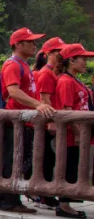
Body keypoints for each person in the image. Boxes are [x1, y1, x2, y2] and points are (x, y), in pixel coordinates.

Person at [0, 28, 55, 212]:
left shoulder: (23, 65)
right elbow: (13, 91)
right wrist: (38, 104)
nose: (34, 45)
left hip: (23, 121)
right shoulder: (13, 65)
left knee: (19, 161)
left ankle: (13, 200)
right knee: (12, 161)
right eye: (30, 42)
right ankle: (7, 200)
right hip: (15, 121)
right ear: (18, 44)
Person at [52, 43, 94, 219]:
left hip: (81, 132)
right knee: (69, 167)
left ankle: (68, 202)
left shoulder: (74, 79)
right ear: (72, 60)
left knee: (75, 167)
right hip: (72, 135)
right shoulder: (65, 81)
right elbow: (66, 110)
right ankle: (64, 205)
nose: (86, 62)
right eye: (83, 59)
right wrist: (77, 133)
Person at [33, 37, 66, 209]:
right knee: (47, 158)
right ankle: (44, 196)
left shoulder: (55, 72)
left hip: (54, 122)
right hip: (49, 124)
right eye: (59, 51)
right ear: (49, 54)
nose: (62, 54)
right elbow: (45, 100)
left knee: (51, 159)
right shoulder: (46, 73)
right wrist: (51, 122)